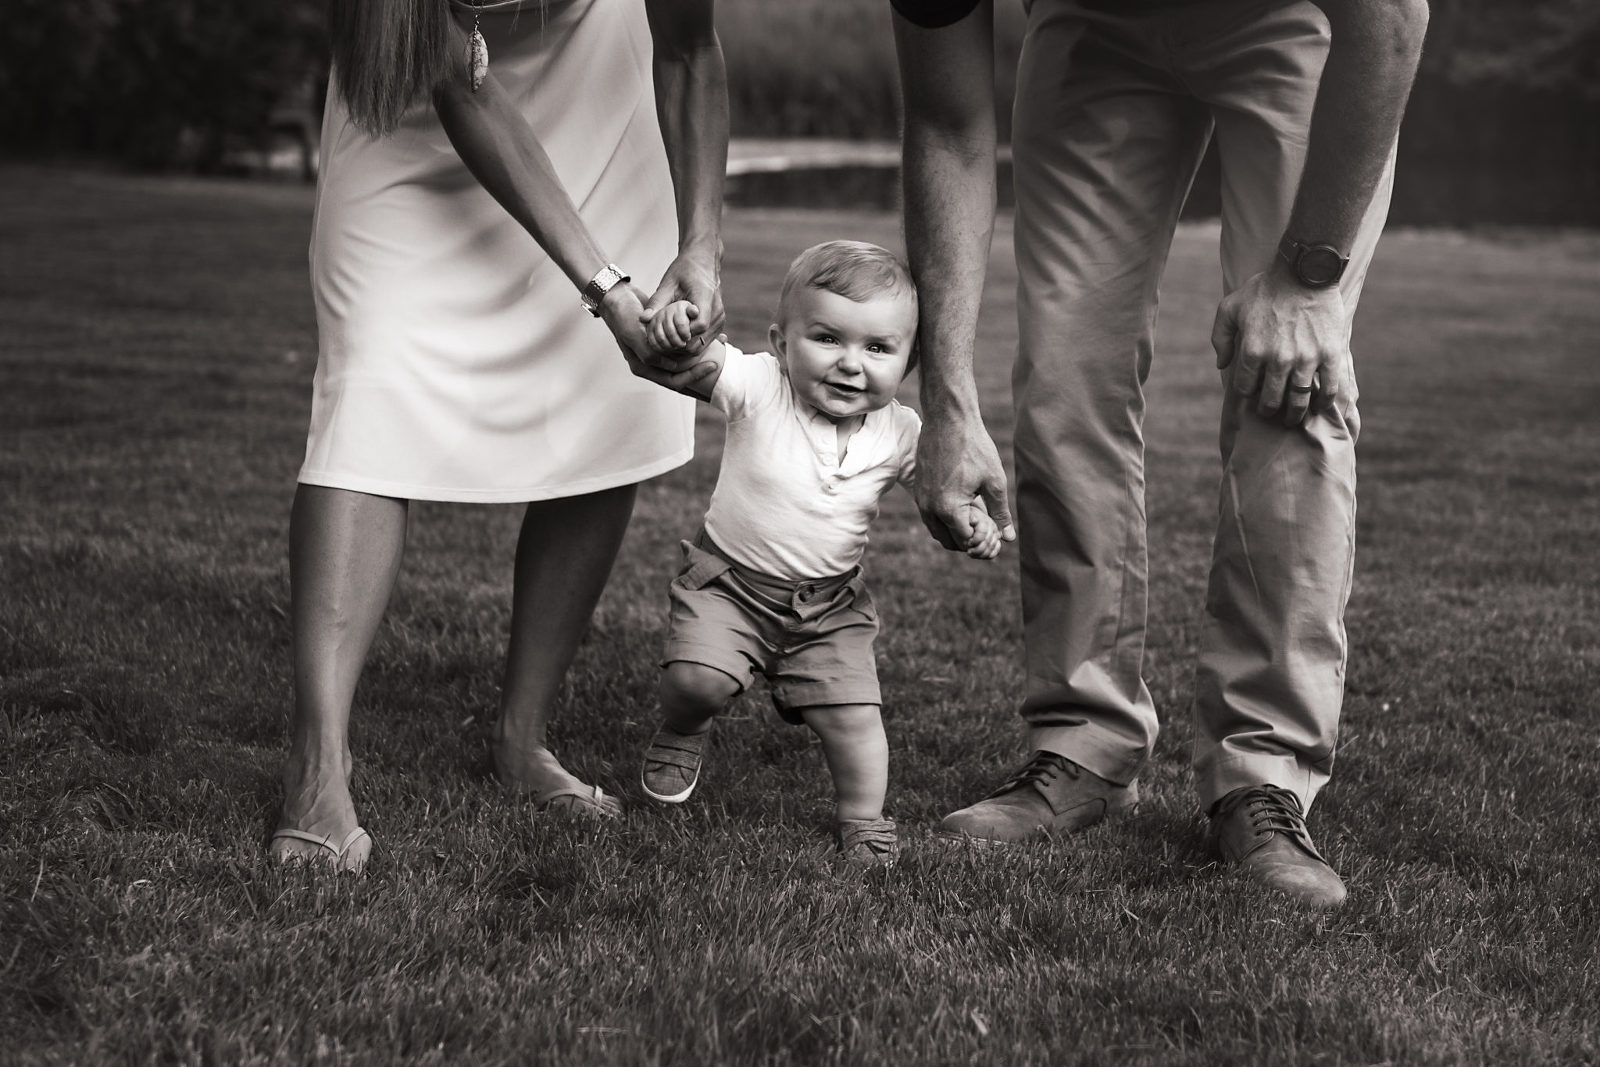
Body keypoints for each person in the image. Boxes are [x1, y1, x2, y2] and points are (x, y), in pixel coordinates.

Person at [891, 0, 1428, 906]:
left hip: (1290, 18)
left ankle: (1264, 773)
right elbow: (946, 122)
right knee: (1065, 377)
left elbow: (1393, 16)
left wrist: (1307, 279)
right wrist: (944, 398)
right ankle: (1081, 740)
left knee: (1288, 391)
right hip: (1092, 26)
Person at [270, 0, 728, 872]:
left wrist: (701, 242)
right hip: (408, 98)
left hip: (599, 99)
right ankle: (316, 764)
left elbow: (692, 49)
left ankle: (523, 738)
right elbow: (460, 83)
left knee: (603, 399)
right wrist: (605, 286)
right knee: (370, 387)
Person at [627, 241, 1003, 864]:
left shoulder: (903, 431)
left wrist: (973, 522)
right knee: (697, 682)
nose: (850, 364)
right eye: (827, 339)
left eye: (878, 349)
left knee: (856, 722)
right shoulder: (758, 386)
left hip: (829, 610)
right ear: (781, 342)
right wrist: (675, 326)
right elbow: (697, 358)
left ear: (908, 363)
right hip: (729, 587)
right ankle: (685, 727)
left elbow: (942, 485)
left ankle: (864, 817)